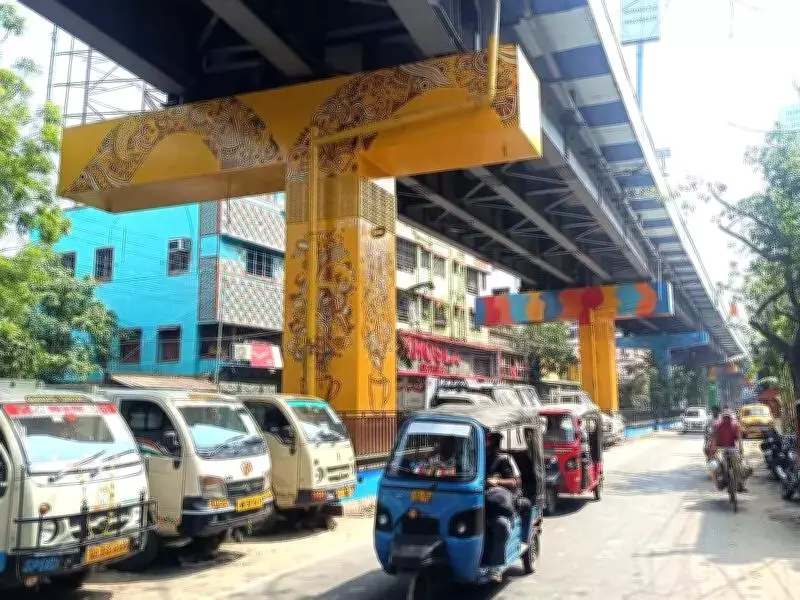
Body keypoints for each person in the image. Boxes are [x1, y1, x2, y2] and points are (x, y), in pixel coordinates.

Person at [484, 431, 522, 582]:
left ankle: (495, 566)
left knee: (501, 525)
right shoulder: (476, 459)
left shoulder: (505, 459)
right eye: (490, 442)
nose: (492, 446)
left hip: (500, 504)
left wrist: (498, 482)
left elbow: (516, 482)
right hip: (478, 501)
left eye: (494, 442)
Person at [712, 408, 750, 492]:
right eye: (725, 417)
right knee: (714, 465)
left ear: (730, 418)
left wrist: (741, 448)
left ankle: (740, 484)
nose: (726, 419)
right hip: (721, 447)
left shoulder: (735, 425)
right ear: (722, 418)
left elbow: (739, 438)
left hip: (732, 448)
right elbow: (714, 437)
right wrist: (714, 450)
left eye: (728, 417)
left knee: (739, 466)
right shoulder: (717, 425)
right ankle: (719, 481)